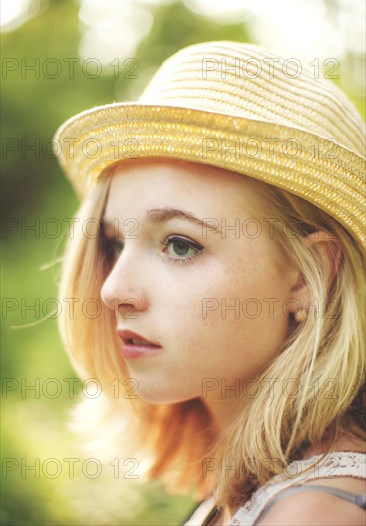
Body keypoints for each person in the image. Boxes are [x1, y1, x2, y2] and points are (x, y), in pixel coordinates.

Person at [53, 41, 365, 525]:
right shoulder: (257, 492)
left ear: (308, 275)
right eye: (114, 243)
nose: (114, 290)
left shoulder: (313, 513)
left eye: (180, 244)